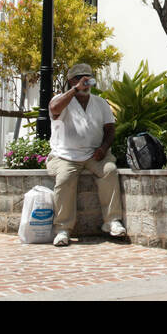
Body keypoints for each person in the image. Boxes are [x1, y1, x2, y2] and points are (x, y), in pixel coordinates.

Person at [46, 62, 126, 246]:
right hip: (65, 155)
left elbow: (110, 130)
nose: (85, 82)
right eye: (80, 78)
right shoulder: (61, 99)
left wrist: (103, 149)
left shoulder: (100, 103)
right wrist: (76, 89)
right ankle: (63, 229)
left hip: (93, 154)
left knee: (109, 171)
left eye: (88, 78)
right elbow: (54, 109)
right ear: (71, 81)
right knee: (65, 179)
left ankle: (112, 221)